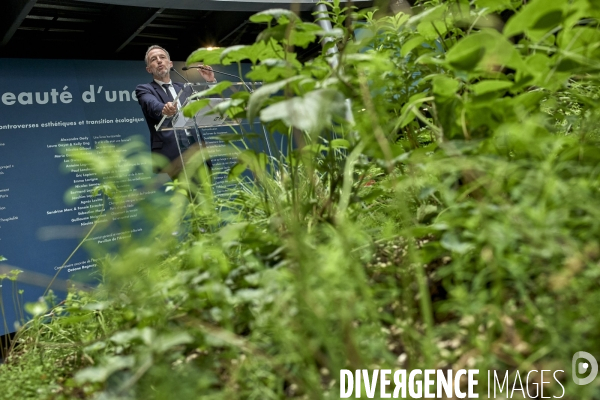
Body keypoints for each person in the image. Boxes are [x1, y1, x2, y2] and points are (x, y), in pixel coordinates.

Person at [135, 45, 215, 178]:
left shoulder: (185, 87)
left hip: (197, 150)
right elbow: (151, 104)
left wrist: (211, 82)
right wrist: (164, 108)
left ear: (170, 63)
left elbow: (209, 105)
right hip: (174, 155)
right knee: (188, 196)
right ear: (149, 69)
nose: (159, 61)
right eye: (153, 59)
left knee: (208, 196)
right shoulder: (144, 89)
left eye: (162, 57)